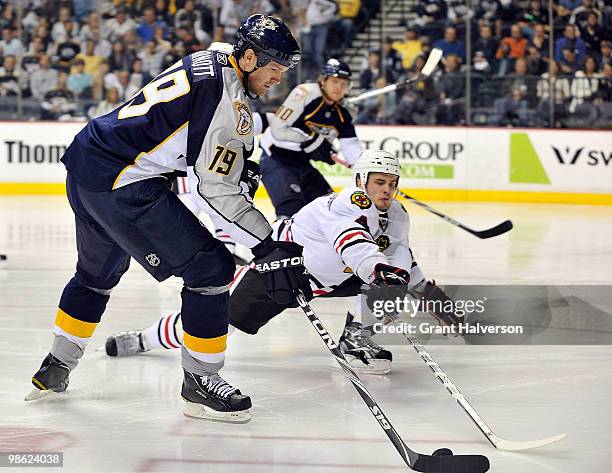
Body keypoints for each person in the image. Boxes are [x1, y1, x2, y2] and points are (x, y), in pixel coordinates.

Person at [25, 14, 311, 425]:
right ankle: (200, 383)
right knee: (212, 268)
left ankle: (55, 366)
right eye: (273, 69)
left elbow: (179, 137)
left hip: (87, 161)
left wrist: (239, 164)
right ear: (248, 58)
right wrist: (267, 245)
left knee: (95, 275)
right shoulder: (228, 102)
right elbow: (214, 187)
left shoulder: (208, 60)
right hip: (122, 182)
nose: (277, 80)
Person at [105, 150, 462, 375]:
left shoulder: (396, 213)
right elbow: (351, 243)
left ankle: (356, 338)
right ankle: (144, 339)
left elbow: (398, 253)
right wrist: (380, 270)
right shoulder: (343, 205)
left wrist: (422, 290)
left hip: (331, 278)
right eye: (378, 182)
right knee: (217, 320)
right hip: (282, 270)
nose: (386, 190)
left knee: (387, 280)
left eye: (391, 183)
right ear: (360, 182)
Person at [259, 58, 362, 219]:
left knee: (332, 211)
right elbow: (278, 129)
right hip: (276, 160)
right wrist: (313, 141)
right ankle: (280, 244)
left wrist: (363, 168)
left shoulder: (342, 113)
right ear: (323, 80)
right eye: (335, 82)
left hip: (302, 164)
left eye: (343, 84)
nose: (339, 87)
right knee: (291, 213)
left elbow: (350, 145)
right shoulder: (306, 93)